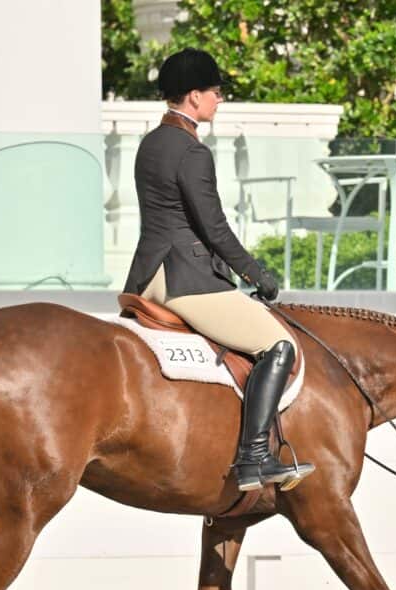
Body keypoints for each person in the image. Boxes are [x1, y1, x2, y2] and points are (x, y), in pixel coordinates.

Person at [122, 48, 314, 492]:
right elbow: (214, 229)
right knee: (278, 342)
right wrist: (256, 275)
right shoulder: (192, 151)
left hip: (148, 276)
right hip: (184, 280)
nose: (219, 99)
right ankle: (254, 458)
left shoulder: (151, 143)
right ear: (193, 96)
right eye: (215, 91)